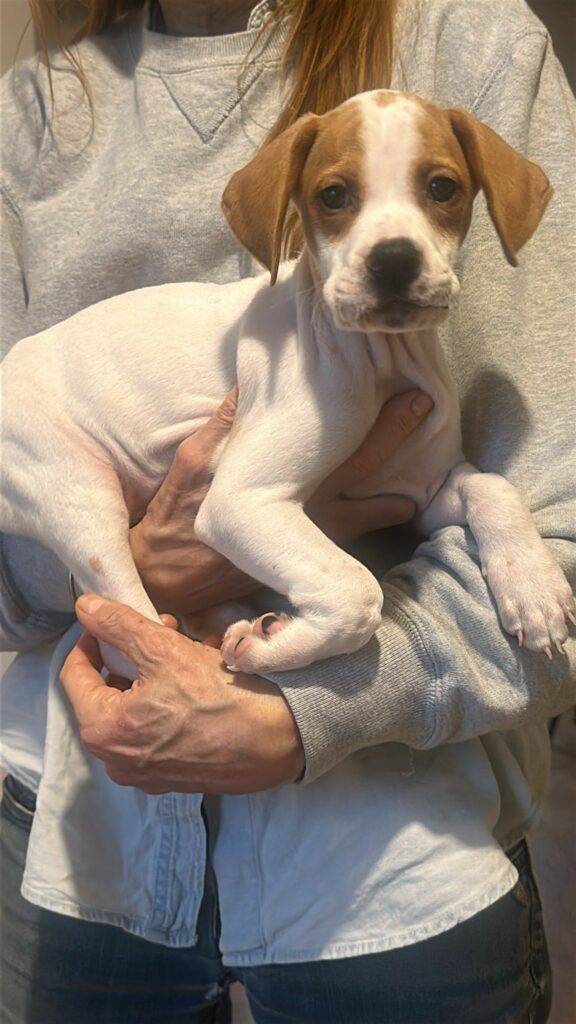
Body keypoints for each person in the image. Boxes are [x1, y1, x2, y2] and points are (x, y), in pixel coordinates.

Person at [1, 0, 574, 1020]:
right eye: (338, 202)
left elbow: (493, 494)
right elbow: (231, 510)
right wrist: (157, 576)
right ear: (291, 217)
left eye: (440, 193)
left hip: (396, 860)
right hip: (73, 824)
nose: (393, 240)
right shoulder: (32, 107)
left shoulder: (475, 38)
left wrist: (313, 705)